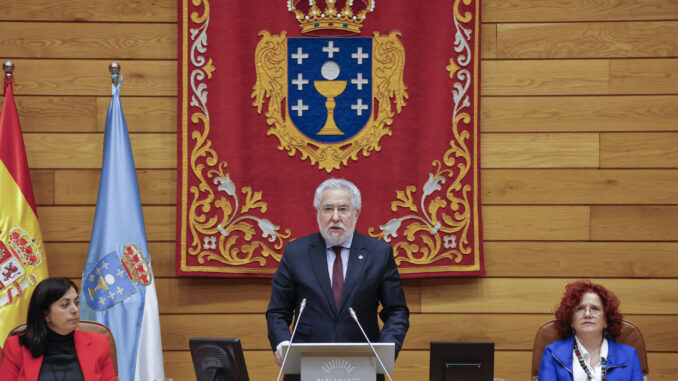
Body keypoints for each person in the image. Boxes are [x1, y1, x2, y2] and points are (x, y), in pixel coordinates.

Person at [266, 178, 409, 380]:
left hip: (363, 365)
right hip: (306, 366)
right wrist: (283, 343)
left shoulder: (379, 254)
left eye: (343, 209)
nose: (335, 217)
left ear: (356, 213)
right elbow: (277, 311)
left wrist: (386, 349)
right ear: (317, 213)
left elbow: (397, 311)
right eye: (327, 209)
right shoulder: (295, 253)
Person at [0, 277, 116, 381]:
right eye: (65, 305)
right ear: (45, 314)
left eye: (76, 302)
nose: (75, 310)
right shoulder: (16, 347)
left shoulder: (99, 343)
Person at [538, 280, 643, 381]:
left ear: (607, 320)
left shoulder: (629, 356)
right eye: (580, 309)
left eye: (595, 309)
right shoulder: (553, 354)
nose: (587, 314)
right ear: (571, 321)